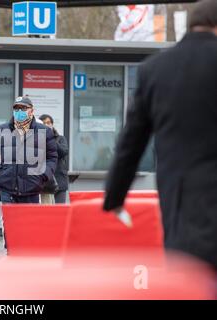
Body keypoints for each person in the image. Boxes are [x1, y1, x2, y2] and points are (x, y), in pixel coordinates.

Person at [103, 0, 217, 270]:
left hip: (180, 196)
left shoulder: (155, 69)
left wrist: (115, 196)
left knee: (188, 275)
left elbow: (131, 141)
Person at [0, 96, 58, 204]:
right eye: (16, 108)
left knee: (29, 221)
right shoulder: (1, 130)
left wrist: (42, 175)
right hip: (7, 189)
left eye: (23, 108)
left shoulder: (45, 131)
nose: (19, 111)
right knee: (10, 221)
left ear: (32, 110)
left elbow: (51, 158)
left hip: (32, 189)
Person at [39, 114, 70, 204]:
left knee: (59, 211)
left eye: (48, 123)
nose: (46, 125)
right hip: (45, 183)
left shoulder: (60, 138)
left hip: (59, 180)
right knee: (46, 212)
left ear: (52, 124)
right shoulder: (37, 139)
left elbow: (63, 152)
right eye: (44, 123)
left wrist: (50, 138)